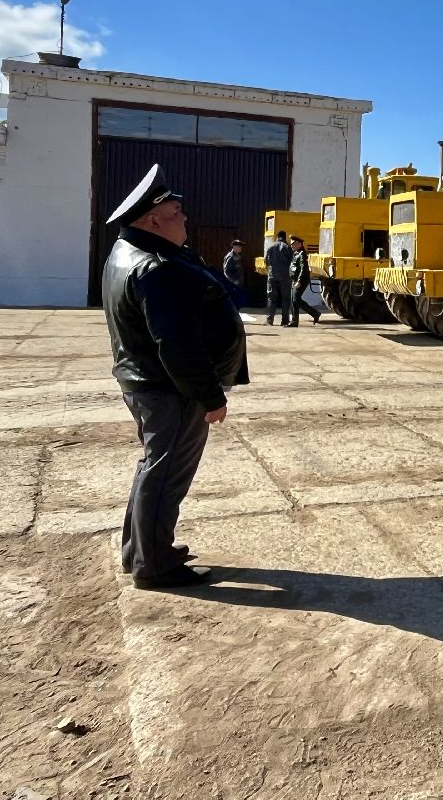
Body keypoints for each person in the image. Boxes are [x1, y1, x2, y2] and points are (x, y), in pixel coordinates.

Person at [101, 163, 248, 589]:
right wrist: (210, 397)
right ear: (152, 220)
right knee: (164, 475)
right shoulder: (157, 266)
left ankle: (142, 552)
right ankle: (156, 565)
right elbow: (177, 345)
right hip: (170, 390)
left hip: (151, 384)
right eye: (176, 212)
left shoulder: (127, 253)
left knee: (154, 468)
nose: (185, 218)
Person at [288, 237, 321, 325]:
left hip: (301, 280)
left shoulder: (302, 254)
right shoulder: (296, 253)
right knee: (294, 300)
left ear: (299, 243)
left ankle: (295, 321)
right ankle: (315, 313)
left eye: (293, 244)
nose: (291, 246)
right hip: (294, 280)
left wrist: (299, 281)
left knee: (295, 299)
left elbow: (303, 269)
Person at [264, 230, 293, 327]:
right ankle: (284, 321)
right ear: (285, 237)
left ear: (277, 237)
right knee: (286, 299)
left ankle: (269, 320)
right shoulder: (288, 247)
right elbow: (292, 262)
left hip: (272, 276)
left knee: (271, 299)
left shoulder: (271, 247)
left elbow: (266, 262)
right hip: (285, 277)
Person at [221, 239, 245, 306]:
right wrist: (233, 280)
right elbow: (226, 270)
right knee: (232, 302)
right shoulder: (230, 256)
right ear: (234, 246)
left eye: (241, 246)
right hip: (233, 284)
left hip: (238, 284)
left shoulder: (238, 256)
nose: (241, 247)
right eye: (239, 246)